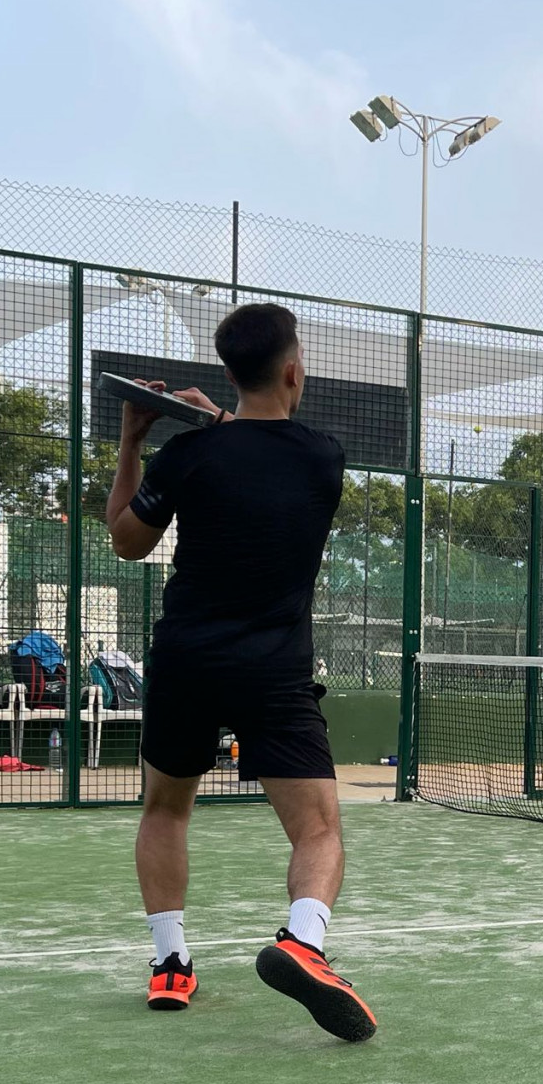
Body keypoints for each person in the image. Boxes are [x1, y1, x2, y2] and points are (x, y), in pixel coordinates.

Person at [104, 302, 378, 1039]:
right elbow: (263, 451)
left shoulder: (187, 455)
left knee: (165, 810)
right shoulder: (323, 457)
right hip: (273, 671)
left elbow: (126, 540)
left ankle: (170, 963)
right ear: (292, 371)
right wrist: (221, 423)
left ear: (229, 373)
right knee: (317, 829)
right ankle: (304, 943)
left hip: (187, 661)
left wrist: (134, 441)